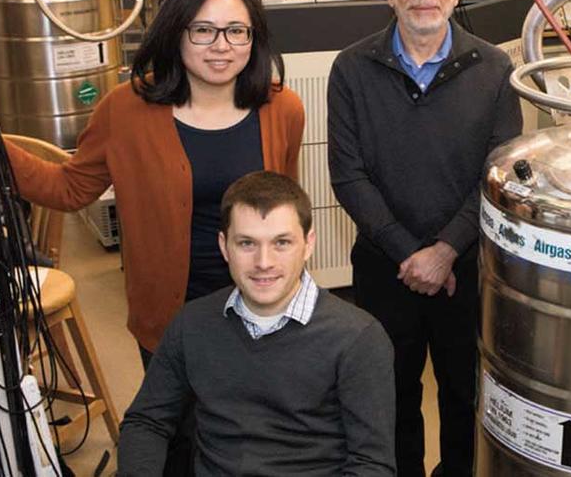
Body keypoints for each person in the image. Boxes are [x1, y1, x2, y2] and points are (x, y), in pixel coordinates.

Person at [0, 0, 304, 473]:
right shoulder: (127, 110)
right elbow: (68, 188)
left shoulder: (282, 108)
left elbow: (285, 207)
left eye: (237, 31)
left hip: (261, 306)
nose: (222, 46)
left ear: (254, 38)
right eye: (203, 30)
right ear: (176, 32)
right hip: (171, 315)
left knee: (257, 442)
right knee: (178, 441)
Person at [327, 0, 523, 476]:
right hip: (383, 267)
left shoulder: (493, 70)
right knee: (388, 398)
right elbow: (348, 175)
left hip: (468, 268)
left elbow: (496, 174)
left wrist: (445, 249)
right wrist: (410, 252)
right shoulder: (352, 69)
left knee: (466, 396)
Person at [118, 171, 396, 475]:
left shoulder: (357, 338)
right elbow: (146, 421)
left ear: (308, 244)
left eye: (282, 243)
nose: (264, 262)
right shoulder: (192, 324)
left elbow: (372, 465)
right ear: (224, 246)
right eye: (247, 243)